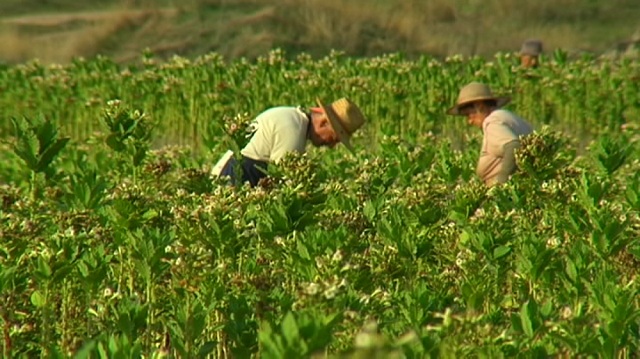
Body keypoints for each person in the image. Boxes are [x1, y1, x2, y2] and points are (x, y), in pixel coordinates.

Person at [211, 97, 367, 187]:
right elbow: (284, 180)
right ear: (324, 123)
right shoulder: (293, 129)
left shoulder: (293, 119)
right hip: (238, 175)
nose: (332, 145)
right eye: (333, 138)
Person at [447, 82, 534, 187]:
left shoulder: (492, 122)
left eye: (469, 114)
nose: (469, 121)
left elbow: (513, 147)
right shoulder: (509, 118)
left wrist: (502, 185)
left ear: (480, 106)